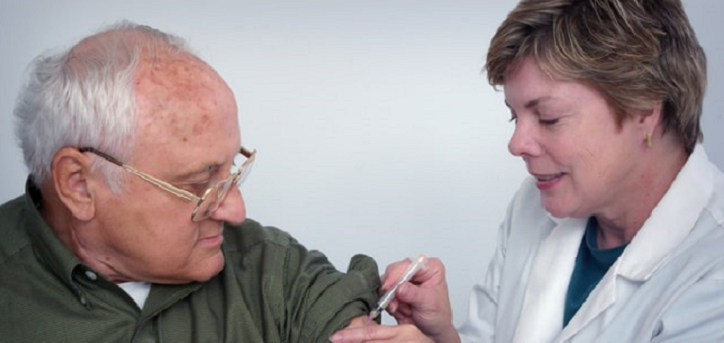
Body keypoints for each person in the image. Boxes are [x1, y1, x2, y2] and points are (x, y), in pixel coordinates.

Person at [331, 0, 724, 342]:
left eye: (548, 118)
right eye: (513, 117)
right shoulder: (534, 207)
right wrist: (443, 337)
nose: (517, 144)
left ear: (644, 109)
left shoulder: (712, 275)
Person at [0, 21, 381, 342]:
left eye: (232, 169)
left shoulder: (273, 270)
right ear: (79, 185)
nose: (236, 210)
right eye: (199, 183)